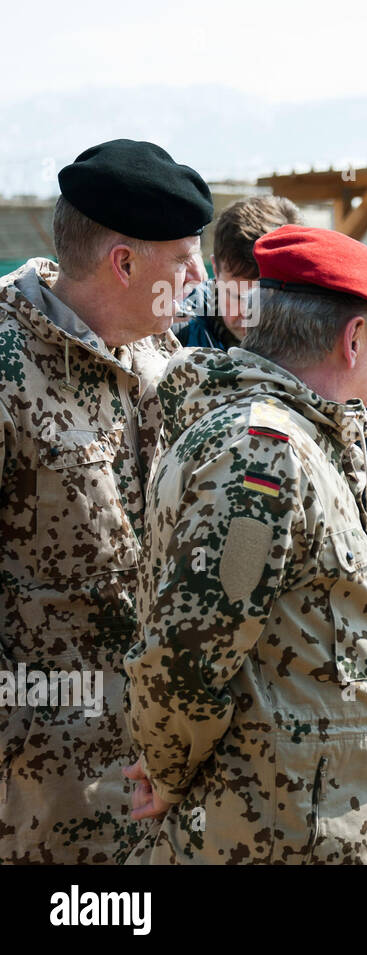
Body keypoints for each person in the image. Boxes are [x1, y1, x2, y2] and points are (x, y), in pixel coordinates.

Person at [123, 225, 367, 864]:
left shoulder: (282, 437)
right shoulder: (264, 456)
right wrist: (170, 772)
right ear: (352, 340)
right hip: (280, 834)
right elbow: (188, 654)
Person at [0, 139, 209, 864]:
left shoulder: (160, 359)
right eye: (184, 259)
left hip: (158, 765)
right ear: (125, 264)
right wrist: (30, 739)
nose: (201, 278)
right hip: (45, 793)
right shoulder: (7, 368)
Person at [175, 195, 302, 349]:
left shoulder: (320, 338)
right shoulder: (177, 340)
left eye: (264, 300)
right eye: (237, 296)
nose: (248, 314)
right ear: (216, 269)